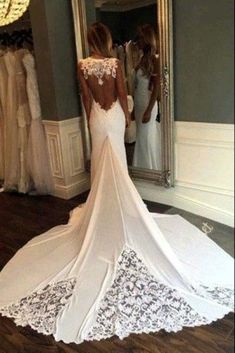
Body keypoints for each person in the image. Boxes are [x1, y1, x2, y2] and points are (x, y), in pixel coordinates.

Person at [0, 22, 233, 345]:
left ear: (88, 41)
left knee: (101, 168)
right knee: (118, 167)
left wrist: (93, 117)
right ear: (106, 41)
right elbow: (122, 95)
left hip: (96, 119)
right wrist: (123, 120)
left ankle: (105, 209)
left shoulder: (82, 64)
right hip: (113, 118)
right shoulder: (112, 64)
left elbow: (86, 97)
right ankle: (121, 209)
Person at [133, 24, 162, 170]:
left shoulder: (155, 59)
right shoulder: (141, 59)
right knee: (141, 137)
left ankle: (151, 169)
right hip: (139, 104)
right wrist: (133, 111)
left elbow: (156, 87)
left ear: (146, 40)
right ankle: (142, 170)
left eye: (139, 38)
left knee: (147, 138)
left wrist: (149, 110)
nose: (137, 41)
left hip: (148, 104)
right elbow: (137, 86)